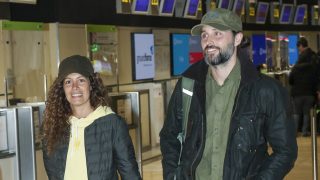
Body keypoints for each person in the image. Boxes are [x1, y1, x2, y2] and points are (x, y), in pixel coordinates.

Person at [160, 8, 297, 180]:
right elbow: (169, 136)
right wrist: (173, 175)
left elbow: (285, 151)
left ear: (237, 38)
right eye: (204, 35)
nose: (208, 41)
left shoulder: (265, 90)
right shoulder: (188, 85)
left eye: (217, 34)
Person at [42, 55, 141, 180]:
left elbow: (130, 174)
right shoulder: (53, 126)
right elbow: (52, 173)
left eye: (81, 80)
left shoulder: (112, 124)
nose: (75, 87)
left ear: (91, 84)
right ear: (62, 89)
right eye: (68, 82)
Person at [289, 37, 318, 136]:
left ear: (301, 46)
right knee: (307, 113)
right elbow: (316, 77)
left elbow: (290, 80)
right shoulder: (313, 63)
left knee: (296, 113)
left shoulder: (296, 67)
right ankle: (305, 132)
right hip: (309, 92)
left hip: (297, 93)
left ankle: (295, 131)